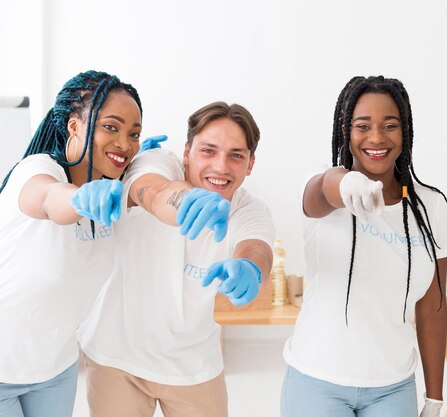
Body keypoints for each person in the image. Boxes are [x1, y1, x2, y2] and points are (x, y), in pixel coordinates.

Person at [78, 101, 275, 417]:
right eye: (208, 151)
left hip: (195, 366)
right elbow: (153, 192)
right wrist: (186, 200)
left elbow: (258, 248)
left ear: (250, 164)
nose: (221, 166)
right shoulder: (154, 163)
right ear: (187, 152)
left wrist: (250, 268)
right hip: (118, 357)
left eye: (236, 155)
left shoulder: (249, 210)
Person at [281, 76, 447, 417]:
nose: (376, 137)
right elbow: (322, 191)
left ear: (405, 132)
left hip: (393, 388)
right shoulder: (324, 190)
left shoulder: (430, 207)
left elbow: (433, 309)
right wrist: (346, 182)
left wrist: (434, 398)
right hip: (318, 382)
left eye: (389, 125)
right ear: (346, 131)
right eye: (363, 126)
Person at [0, 70, 143, 417]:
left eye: (134, 133)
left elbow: (155, 192)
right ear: (74, 126)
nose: (124, 143)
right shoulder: (35, 170)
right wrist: (80, 199)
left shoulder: (112, 190)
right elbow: (49, 199)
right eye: (111, 127)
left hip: (56, 368)